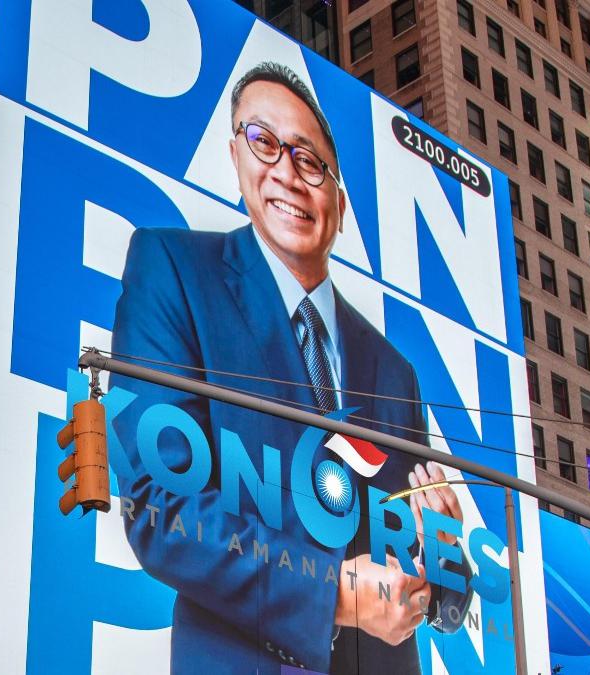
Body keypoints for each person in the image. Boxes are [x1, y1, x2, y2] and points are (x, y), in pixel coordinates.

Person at [110, 62, 471, 674]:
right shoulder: (172, 268)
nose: (286, 173)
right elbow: (159, 507)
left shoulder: (395, 370)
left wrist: (438, 552)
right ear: (236, 155)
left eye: (309, 162)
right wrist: (331, 595)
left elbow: (446, 597)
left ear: (340, 201)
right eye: (264, 143)